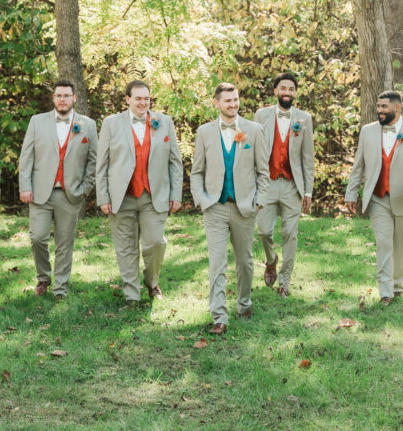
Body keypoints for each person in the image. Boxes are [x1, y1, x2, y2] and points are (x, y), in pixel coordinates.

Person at [190, 82, 269, 334]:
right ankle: (219, 316)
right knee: (217, 261)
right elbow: (196, 172)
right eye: (227, 101)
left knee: (245, 261)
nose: (233, 105)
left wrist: (259, 200)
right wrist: (202, 200)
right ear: (216, 103)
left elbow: (263, 171)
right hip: (215, 206)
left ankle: (244, 303)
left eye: (235, 100)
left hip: (245, 206)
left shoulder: (254, 130)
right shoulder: (204, 132)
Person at [344, 90, 403, 305]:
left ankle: (397, 285)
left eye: (384, 107)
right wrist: (351, 193)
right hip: (377, 198)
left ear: (397, 108)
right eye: (378, 107)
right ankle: (385, 292)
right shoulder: (368, 131)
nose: (380, 111)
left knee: (401, 244)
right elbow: (359, 165)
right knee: (384, 242)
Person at [96, 80, 183, 303]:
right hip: (121, 196)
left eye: (146, 98)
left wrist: (176, 195)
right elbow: (102, 164)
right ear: (127, 99)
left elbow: (175, 161)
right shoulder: (111, 123)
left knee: (155, 242)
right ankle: (131, 295)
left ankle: (152, 282)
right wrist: (103, 196)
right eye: (138, 98)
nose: (143, 102)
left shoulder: (164, 122)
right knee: (125, 249)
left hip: (153, 196)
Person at [19, 81, 97, 301]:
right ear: (53, 98)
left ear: (75, 98)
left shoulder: (87, 125)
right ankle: (43, 277)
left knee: (65, 242)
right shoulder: (37, 121)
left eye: (67, 95)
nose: (62, 99)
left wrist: (85, 189)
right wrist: (25, 186)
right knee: (37, 238)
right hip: (40, 192)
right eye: (58, 95)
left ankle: (60, 287)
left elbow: (94, 161)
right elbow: (26, 157)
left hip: (71, 193)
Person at [253, 71, 314, 296]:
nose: (287, 93)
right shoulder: (261, 115)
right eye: (283, 89)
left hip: (291, 185)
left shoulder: (304, 119)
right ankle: (271, 260)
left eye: (291, 89)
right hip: (266, 183)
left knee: (290, 234)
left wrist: (308, 191)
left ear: (295, 93)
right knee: (263, 231)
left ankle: (284, 282)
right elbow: (253, 149)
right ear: (276, 91)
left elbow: (308, 158)